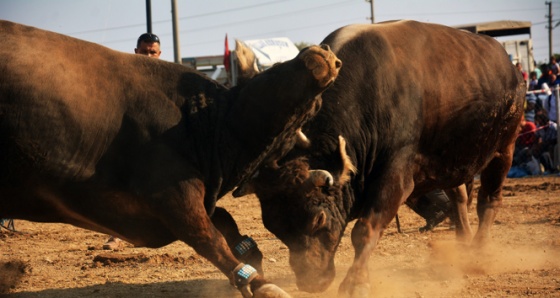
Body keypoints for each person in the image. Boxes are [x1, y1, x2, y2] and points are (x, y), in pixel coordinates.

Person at [103, 33, 162, 250]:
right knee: (121, 189)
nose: (148, 56)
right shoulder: (122, 77)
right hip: (127, 142)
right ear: (135, 52)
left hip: (158, 145)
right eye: (144, 52)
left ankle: (149, 235)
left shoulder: (169, 78)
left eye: (152, 52)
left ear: (159, 54)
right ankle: (115, 236)